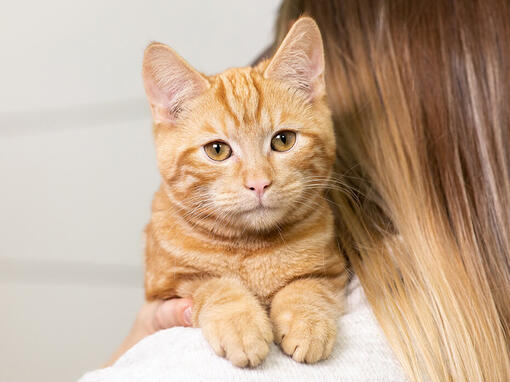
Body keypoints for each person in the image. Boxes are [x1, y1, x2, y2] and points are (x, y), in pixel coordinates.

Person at [84, 0, 510, 380]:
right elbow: (173, 289)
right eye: (218, 149)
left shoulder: (327, 227)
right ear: (169, 115)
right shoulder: (172, 230)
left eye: (282, 141)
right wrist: (213, 297)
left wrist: (306, 297)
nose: (258, 179)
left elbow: (324, 274)